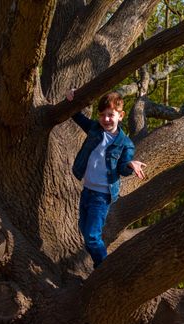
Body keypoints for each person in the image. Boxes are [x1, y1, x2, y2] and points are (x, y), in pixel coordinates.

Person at [66, 90, 146, 268]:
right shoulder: (95, 129)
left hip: (102, 196)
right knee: (85, 231)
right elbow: (77, 117)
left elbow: (122, 168)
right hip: (87, 190)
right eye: (102, 115)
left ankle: (103, 267)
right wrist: (72, 101)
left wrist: (131, 165)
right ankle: (101, 263)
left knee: (92, 237)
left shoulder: (125, 144)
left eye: (111, 115)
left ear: (121, 115)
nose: (106, 119)